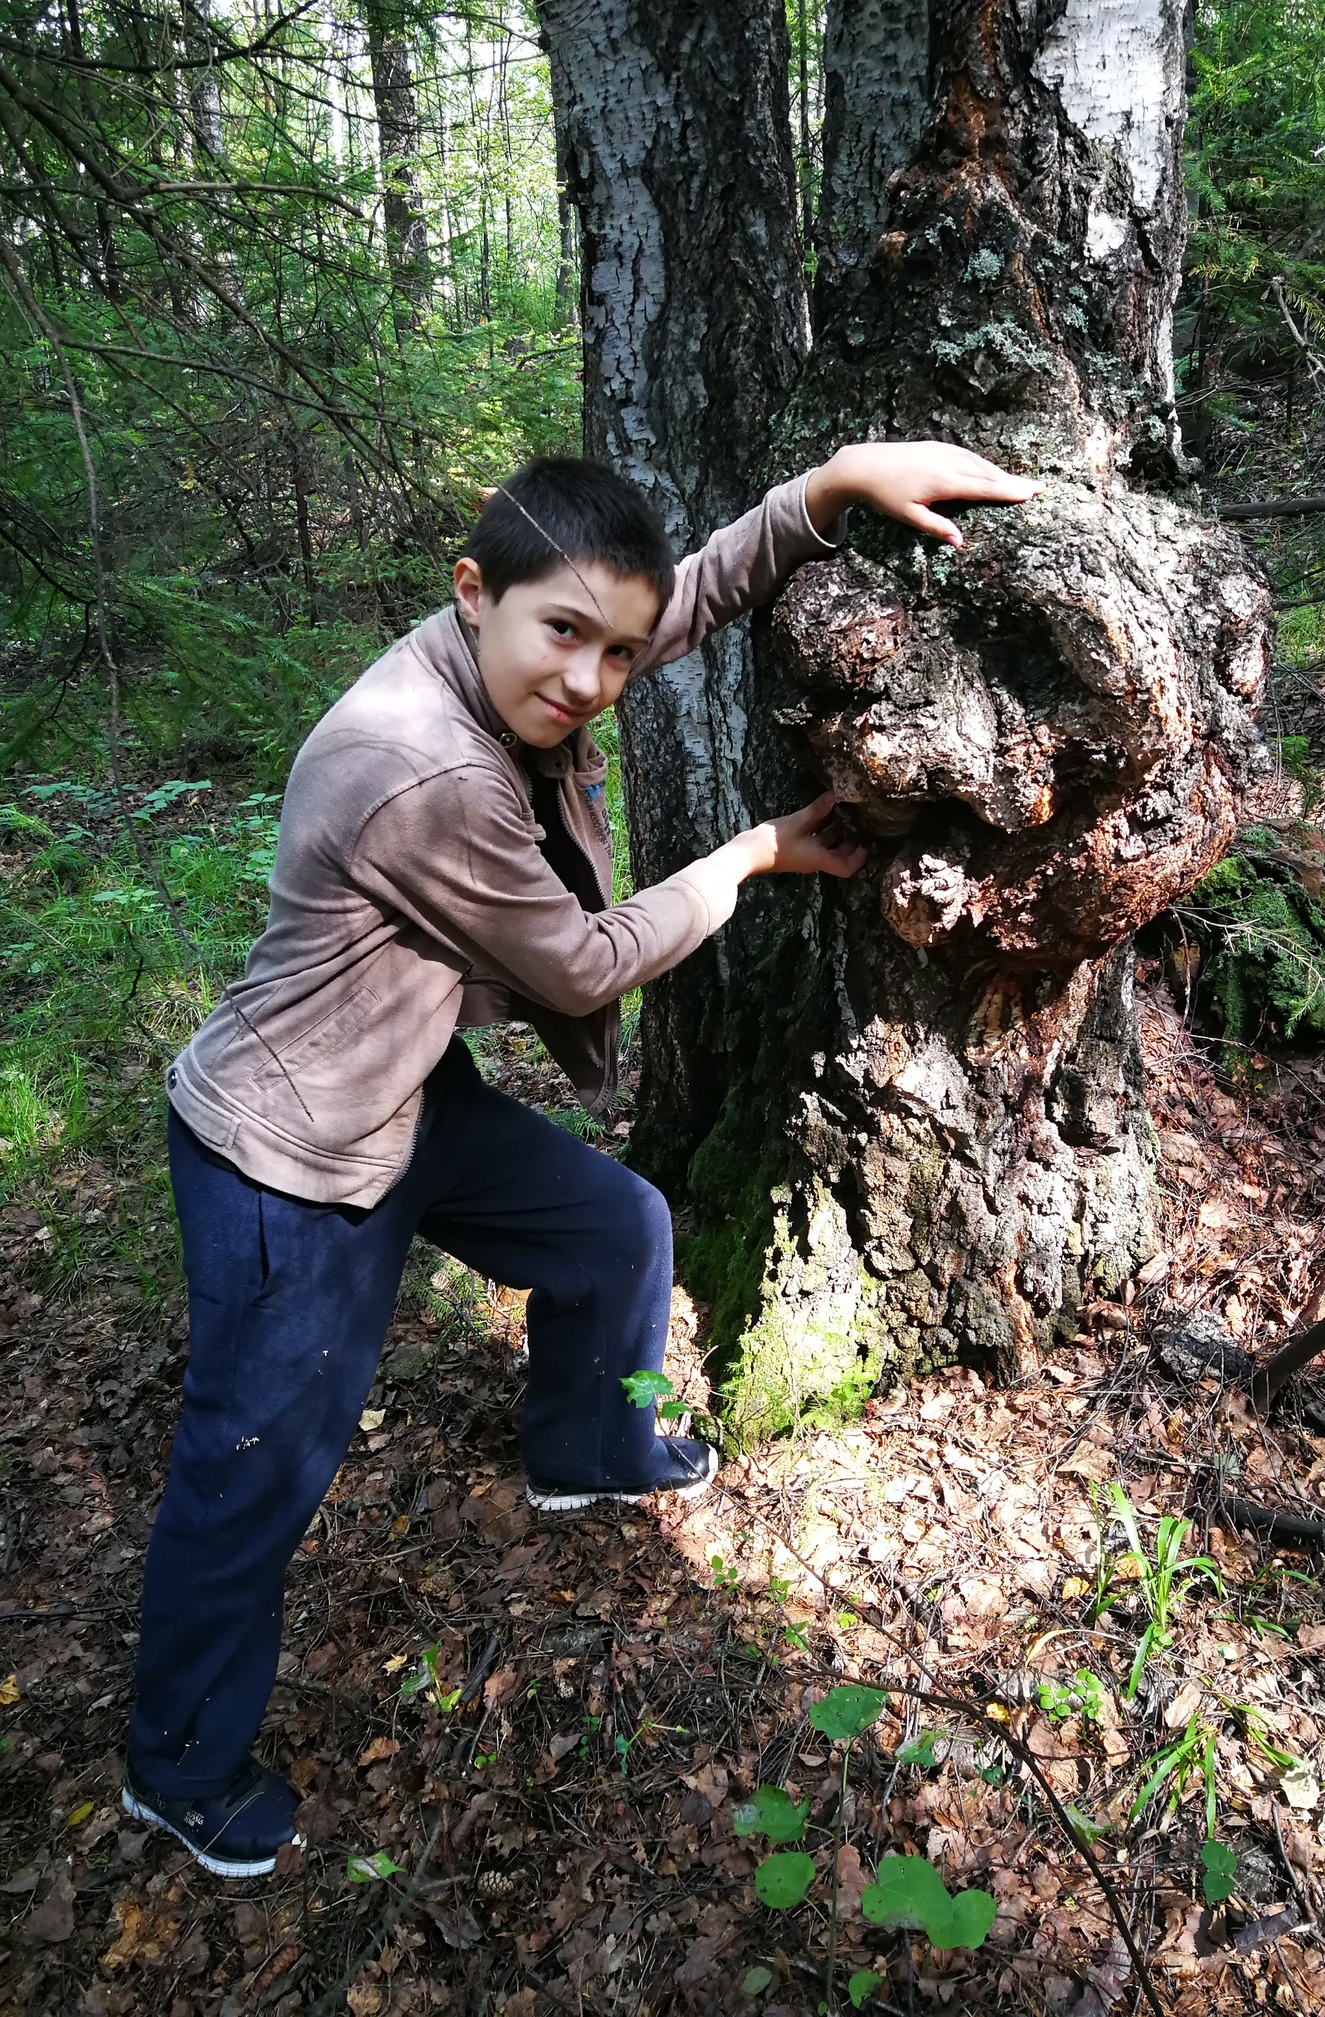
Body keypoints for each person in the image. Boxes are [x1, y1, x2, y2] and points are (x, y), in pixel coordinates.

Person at [120, 439, 1036, 1876]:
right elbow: (586, 961)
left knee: (614, 1228)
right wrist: (747, 860)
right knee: (254, 1469)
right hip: (286, 1153)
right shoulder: (417, 768)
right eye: (567, 638)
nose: (594, 683)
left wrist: (828, 490)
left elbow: (658, 604)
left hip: (403, 1085)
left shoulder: (515, 648)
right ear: (473, 592)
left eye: (616, 651)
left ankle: (590, 1447)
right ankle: (174, 1765)